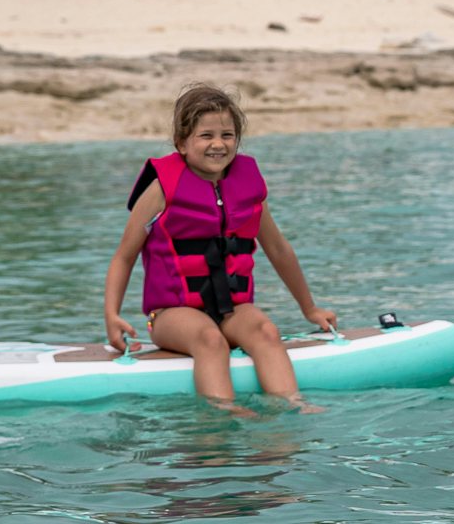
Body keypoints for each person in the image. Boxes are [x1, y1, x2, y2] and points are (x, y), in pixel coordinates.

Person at [102, 84, 336, 410]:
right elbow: (124, 257)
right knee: (209, 340)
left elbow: (278, 250)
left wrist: (309, 309)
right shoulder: (160, 191)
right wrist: (111, 315)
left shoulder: (248, 187)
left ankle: (292, 406)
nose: (218, 144)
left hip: (231, 308)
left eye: (227, 135)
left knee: (266, 331)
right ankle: (223, 416)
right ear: (181, 143)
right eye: (205, 135)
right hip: (171, 315)